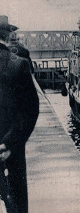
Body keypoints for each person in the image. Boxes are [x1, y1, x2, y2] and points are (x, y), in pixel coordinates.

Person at [0, 15, 39, 213]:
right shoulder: (20, 63)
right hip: (10, 147)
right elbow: (31, 111)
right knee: (16, 200)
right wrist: (8, 143)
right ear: (7, 35)